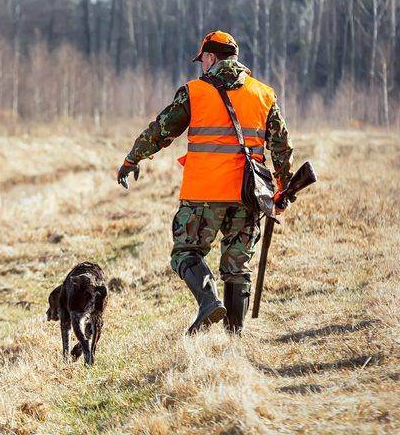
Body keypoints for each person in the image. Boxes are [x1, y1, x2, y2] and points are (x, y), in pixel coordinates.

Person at [116, 31, 293, 335]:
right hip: (248, 196)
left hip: (203, 195)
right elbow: (281, 148)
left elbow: (161, 131)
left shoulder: (194, 92)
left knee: (186, 252)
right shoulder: (264, 95)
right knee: (237, 267)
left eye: (202, 60)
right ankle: (234, 339)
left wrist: (132, 159)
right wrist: (283, 189)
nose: (201, 66)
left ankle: (209, 301)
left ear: (210, 58)